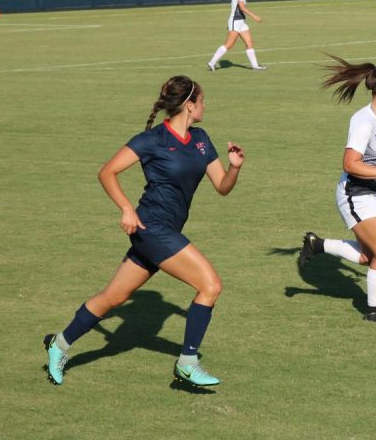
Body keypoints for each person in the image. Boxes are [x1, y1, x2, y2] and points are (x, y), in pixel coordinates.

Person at [43, 76, 245, 387]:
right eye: (202, 100)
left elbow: (222, 188)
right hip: (152, 228)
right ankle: (187, 363)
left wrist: (234, 167)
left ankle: (58, 344)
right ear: (190, 105)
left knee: (114, 297)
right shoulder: (152, 140)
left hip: (161, 231)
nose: (206, 106)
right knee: (211, 285)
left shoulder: (202, 139)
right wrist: (126, 208)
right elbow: (107, 172)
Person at [297, 56, 376, 323]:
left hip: (375, 193)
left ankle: (317, 245)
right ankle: (373, 312)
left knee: (367, 256)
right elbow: (350, 163)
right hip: (354, 194)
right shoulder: (363, 121)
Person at [207, 0, 267, 71]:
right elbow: (242, 8)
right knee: (229, 45)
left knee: (249, 43)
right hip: (235, 21)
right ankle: (212, 62)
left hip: (241, 22)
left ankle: (255, 66)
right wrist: (254, 16)